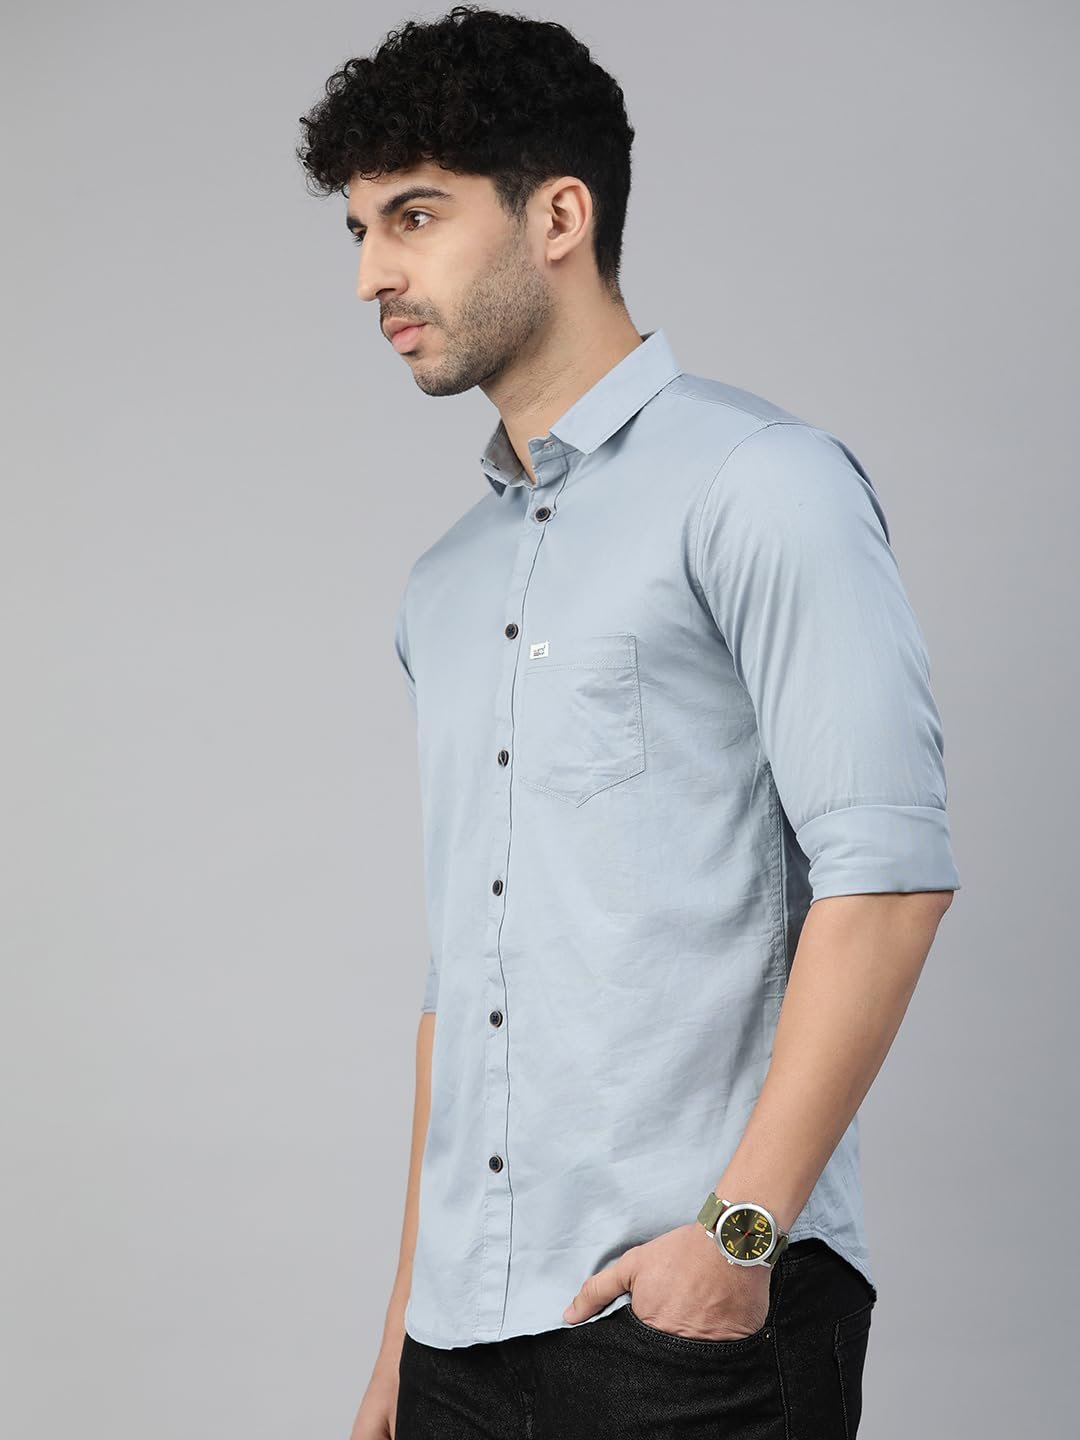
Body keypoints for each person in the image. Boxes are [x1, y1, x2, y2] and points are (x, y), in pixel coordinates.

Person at [296, 7, 961, 1438]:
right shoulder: (443, 587)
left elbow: (890, 878)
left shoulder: (761, 484)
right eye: (358, 229)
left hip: (687, 1325)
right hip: (461, 1340)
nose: (372, 275)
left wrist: (737, 1242)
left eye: (414, 216)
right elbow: (463, 986)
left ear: (560, 216)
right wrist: (402, 1334)